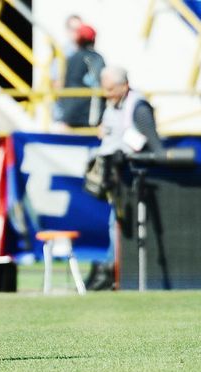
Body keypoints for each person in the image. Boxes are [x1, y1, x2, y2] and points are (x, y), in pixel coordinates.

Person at [86, 65, 164, 290]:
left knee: (119, 226)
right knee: (115, 224)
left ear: (124, 86)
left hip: (133, 177)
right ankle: (112, 268)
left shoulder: (138, 107)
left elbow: (154, 145)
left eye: (110, 89)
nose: (106, 94)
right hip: (116, 175)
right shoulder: (113, 104)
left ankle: (113, 270)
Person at [57, 23, 105, 130]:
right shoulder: (96, 58)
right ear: (93, 40)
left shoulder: (71, 58)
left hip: (70, 115)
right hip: (90, 116)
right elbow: (98, 83)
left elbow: (65, 85)